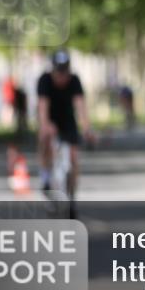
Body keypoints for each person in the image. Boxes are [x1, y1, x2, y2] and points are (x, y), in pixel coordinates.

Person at [37, 49, 94, 204]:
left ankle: (72, 193)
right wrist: (46, 125)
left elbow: (80, 105)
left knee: (73, 157)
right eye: (59, 71)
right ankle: (46, 178)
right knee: (45, 140)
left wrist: (87, 128)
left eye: (65, 71)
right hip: (51, 118)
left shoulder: (74, 80)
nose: (62, 76)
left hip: (68, 121)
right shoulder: (45, 80)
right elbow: (43, 107)